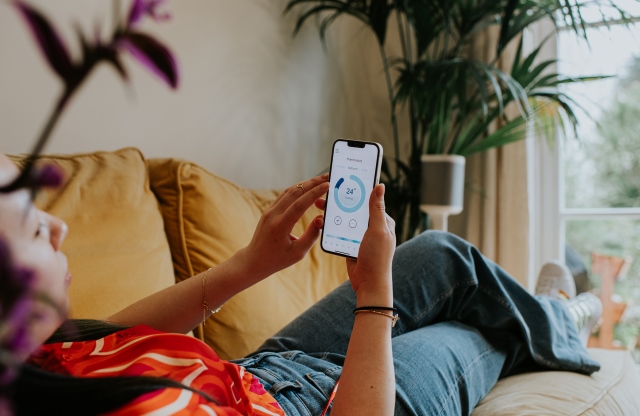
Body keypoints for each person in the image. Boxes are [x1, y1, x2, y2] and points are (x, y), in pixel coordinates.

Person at [0, 151, 602, 416]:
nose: (59, 225)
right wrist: (374, 297)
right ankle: (565, 316)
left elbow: (116, 337)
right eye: (31, 227)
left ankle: (551, 312)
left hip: (259, 372)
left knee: (444, 252)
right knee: (477, 331)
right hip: (336, 406)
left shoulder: (39, 360)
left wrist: (251, 263)